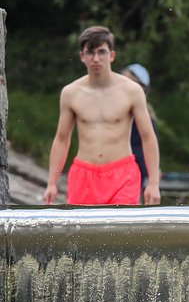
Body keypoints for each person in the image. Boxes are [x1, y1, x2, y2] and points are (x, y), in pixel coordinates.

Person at [44, 26, 160, 206]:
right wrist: (52, 182)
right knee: (82, 233)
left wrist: (153, 183)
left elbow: (148, 137)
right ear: (82, 56)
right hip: (84, 175)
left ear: (112, 55)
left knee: (122, 231)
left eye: (102, 52)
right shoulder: (71, 93)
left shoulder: (132, 91)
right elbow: (62, 139)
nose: (96, 58)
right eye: (90, 53)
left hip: (123, 175)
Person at [120, 63, 158, 195]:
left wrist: (152, 176)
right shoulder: (114, 113)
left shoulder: (146, 118)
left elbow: (146, 149)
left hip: (134, 174)